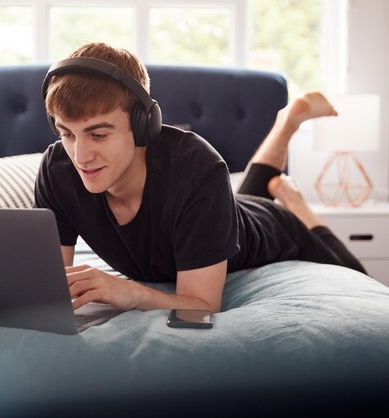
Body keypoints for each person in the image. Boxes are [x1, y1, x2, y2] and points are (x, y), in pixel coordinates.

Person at [34, 42, 366, 314]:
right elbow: (52, 286)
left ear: (141, 126)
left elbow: (202, 306)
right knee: (246, 199)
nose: (80, 156)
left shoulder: (197, 170)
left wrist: (129, 292)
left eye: (99, 135)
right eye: (67, 134)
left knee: (356, 272)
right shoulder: (57, 170)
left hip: (273, 230)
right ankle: (287, 130)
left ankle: (299, 206)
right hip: (223, 209)